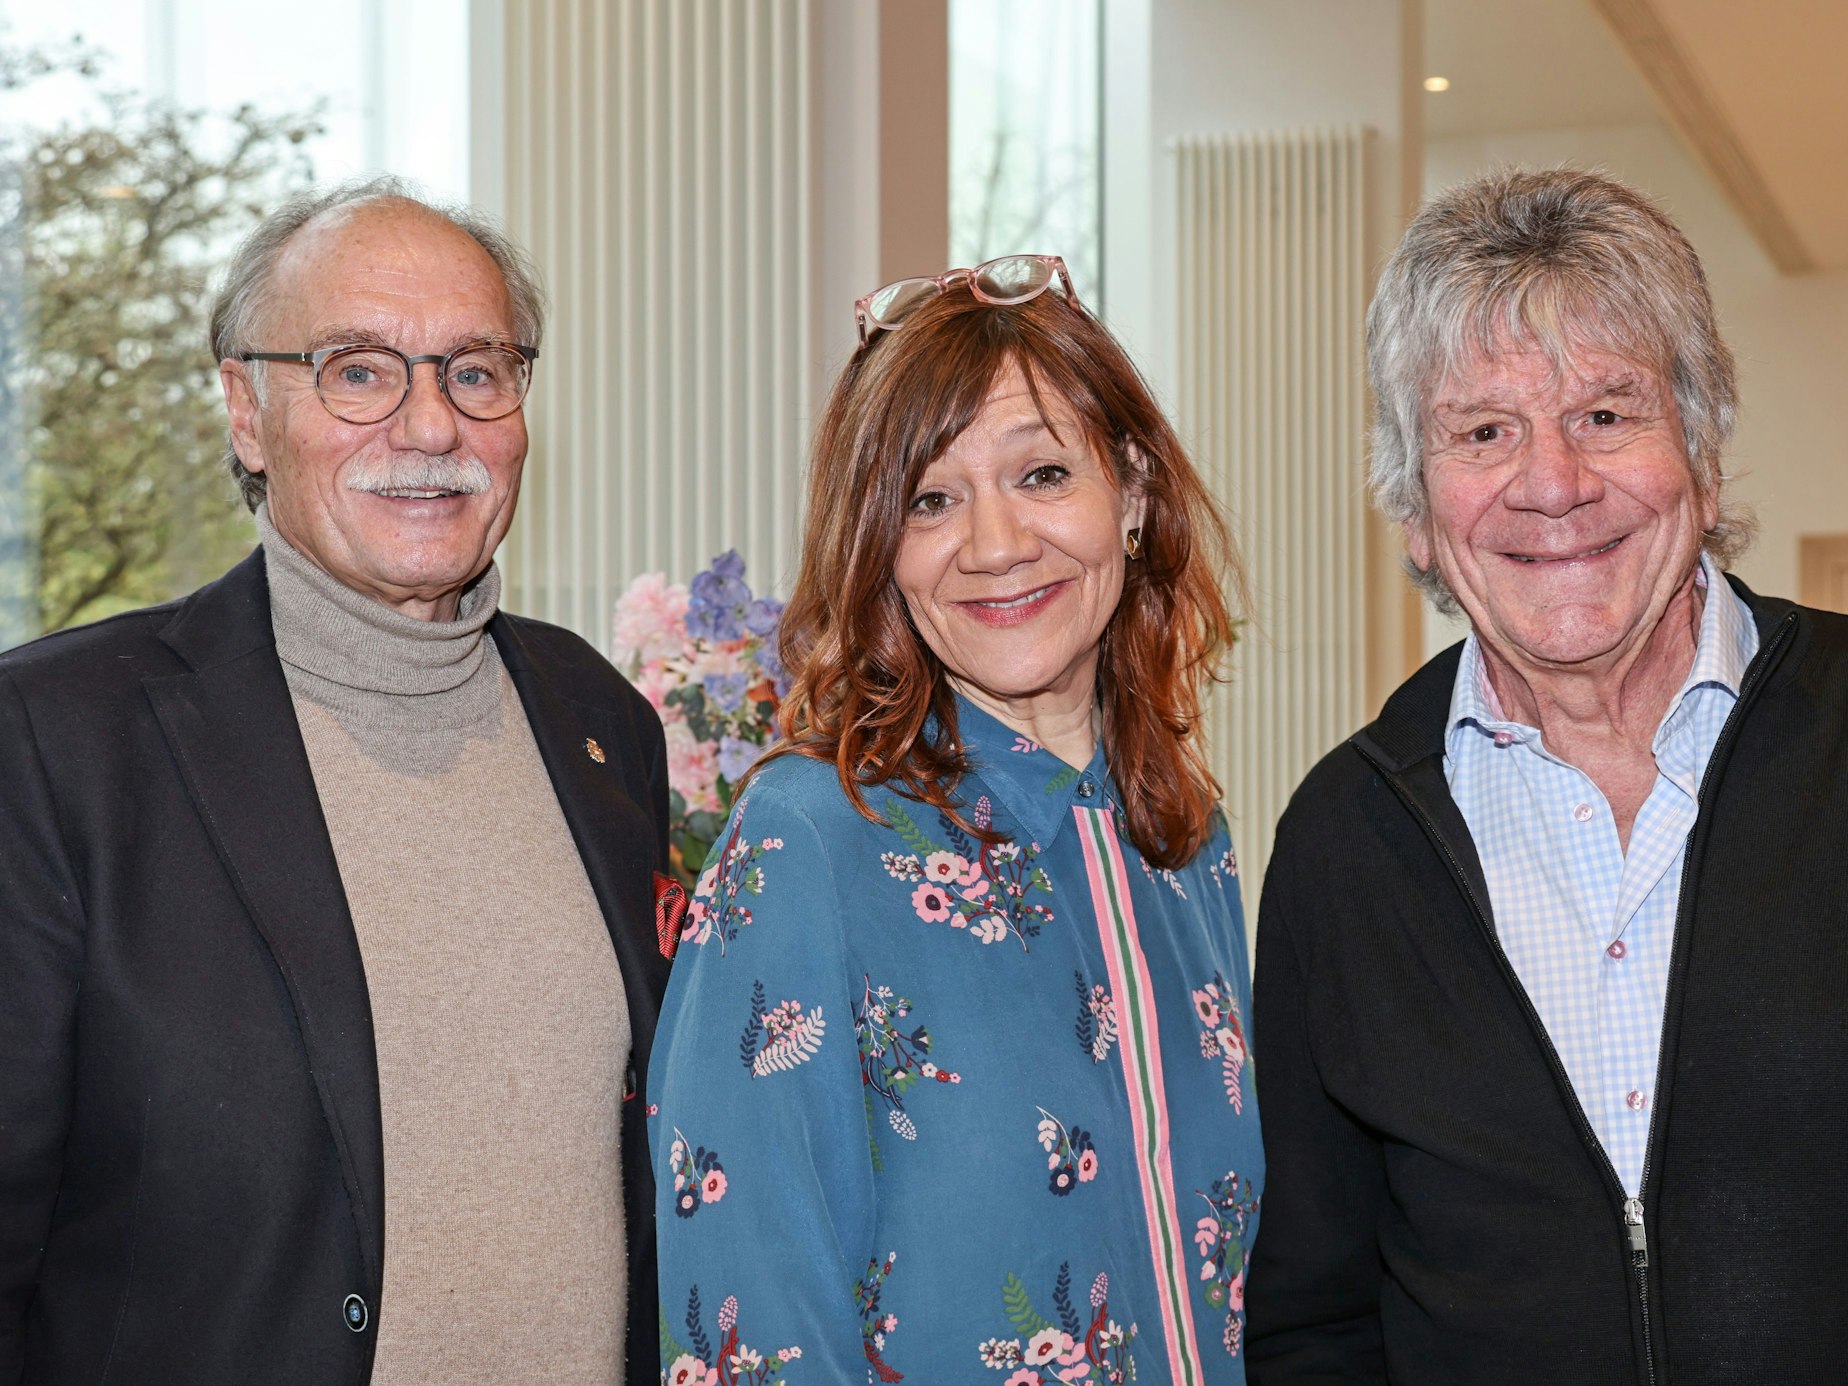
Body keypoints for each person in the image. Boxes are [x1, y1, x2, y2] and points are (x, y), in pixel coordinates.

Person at [0, 178, 671, 1384]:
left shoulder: (601, 720)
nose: (431, 427)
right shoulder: (53, 744)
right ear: (247, 413)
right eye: (359, 370)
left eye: (476, 370)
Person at [1246, 167, 1848, 1383]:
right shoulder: (1345, 840)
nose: (1553, 483)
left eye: (1607, 414)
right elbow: (1314, 1318)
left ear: (1703, 455)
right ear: (1417, 511)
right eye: (1483, 432)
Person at [648, 256, 1262, 1383]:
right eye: (931, 499)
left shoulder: (1185, 841)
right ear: (880, 546)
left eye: (1042, 473)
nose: (994, 544)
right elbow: (752, 1334)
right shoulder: (811, 840)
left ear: (1131, 492)